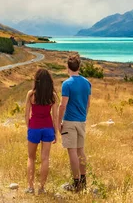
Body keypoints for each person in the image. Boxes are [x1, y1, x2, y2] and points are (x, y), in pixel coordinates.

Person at [58, 55, 92, 192]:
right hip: (81, 120)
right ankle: (84, 181)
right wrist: (84, 115)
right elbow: (88, 103)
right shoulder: (87, 83)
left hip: (70, 121)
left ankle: (76, 183)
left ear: (68, 67)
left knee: (72, 151)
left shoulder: (67, 84)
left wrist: (59, 121)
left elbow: (62, 105)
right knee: (80, 151)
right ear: (79, 67)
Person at [25, 67, 59, 195]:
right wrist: (56, 133)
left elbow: (26, 114)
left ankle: (30, 187)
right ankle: (42, 188)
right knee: (45, 159)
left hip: (34, 127)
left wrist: (29, 127)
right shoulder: (53, 96)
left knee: (31, 157)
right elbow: (55, 117)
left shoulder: (31, 94)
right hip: (48, 128)